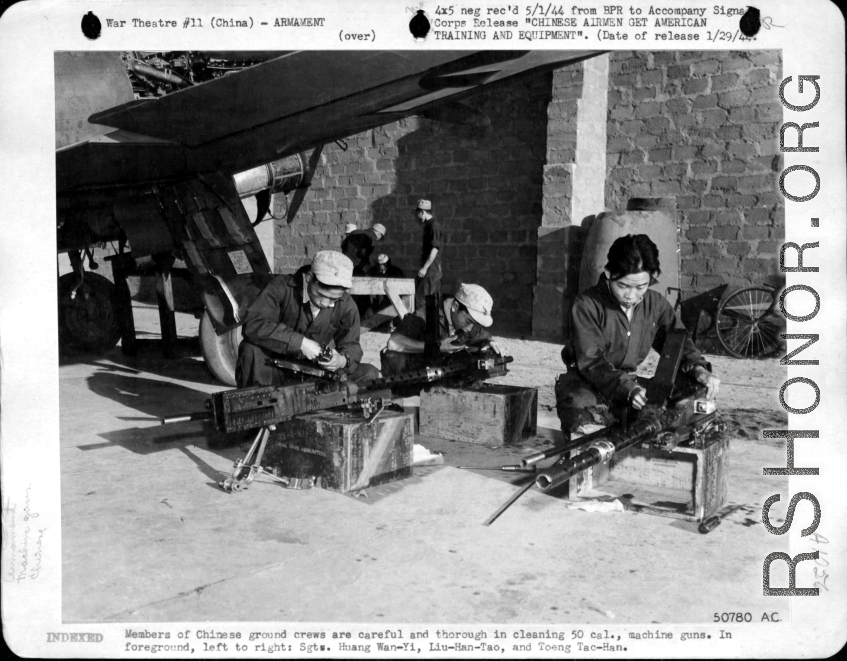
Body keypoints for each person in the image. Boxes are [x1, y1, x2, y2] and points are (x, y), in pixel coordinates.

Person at [556, 234, 720, 439]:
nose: (631, 296)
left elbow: (678, 344)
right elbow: (592, 363)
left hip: (632, 387)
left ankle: (647, 420)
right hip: (590, 383)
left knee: (696, 392)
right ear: (608, 274)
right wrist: (627, 389)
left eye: (641, 287)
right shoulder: (587, 305)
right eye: (623, 286)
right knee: (581, 410)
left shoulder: (655, 304)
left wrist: (698, 368)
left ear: (650, 279)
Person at [236, 250, 379, 388]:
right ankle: (259, 407)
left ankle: (318, 407)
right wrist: (301, 343)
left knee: (369, 373)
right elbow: (253, 324)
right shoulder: (281, 288)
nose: (326, 303)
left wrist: (341, 360)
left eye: (334, 299)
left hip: (314, 375)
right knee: (250, 349)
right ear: (309, 278)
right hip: (274, 370)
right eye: (322, 295)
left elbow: (352, 345)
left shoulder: (346, 304)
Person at [381, 283, 501, 376]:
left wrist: (490, 342)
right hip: (409, 375)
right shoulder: (426, 315)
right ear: (455, 307)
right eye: (469, 321)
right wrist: (436, 347)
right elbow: (393, 342)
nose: (470, 328)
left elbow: (482, 335)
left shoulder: (466, 322)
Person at [413, 199, 442, 310]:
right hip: (429, 269)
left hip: (431, 269)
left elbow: (435, 249)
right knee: (423, 298)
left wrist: (424, 268)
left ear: (422, 212)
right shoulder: (428, 225)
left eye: (418, 214)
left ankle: (425, 326)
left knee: (424, 300)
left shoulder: (434, 226)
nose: (418, 217)